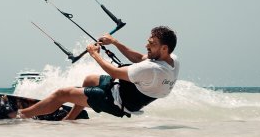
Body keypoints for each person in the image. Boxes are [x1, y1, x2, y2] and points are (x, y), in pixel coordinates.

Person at [17, 26, 179, 120]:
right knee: (89, 80)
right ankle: (70, 120)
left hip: (117, 103)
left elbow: (113, 71)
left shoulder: (151, 70)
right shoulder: (172, 61)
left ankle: (21, 116)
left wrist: (94, 54)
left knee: (61, 93)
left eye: (151, 44)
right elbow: (139, 58)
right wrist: (115, 43)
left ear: (164, 48)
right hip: (126, 93)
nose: (146, 45)